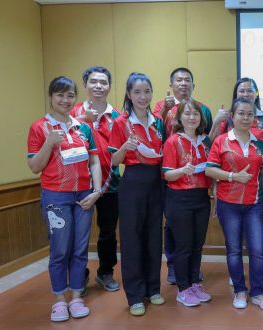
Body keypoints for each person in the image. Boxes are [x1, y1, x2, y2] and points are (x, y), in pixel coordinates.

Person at [27, 76, 102, 322]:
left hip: (84, 196)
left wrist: (97, 190)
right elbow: (34, 167)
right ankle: (60, 300)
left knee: (80, 249)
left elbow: (94, 161)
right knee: (60, 249)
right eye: (60, 95)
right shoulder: (40, 128)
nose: (65, 100)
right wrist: (49, 143)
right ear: (51, 97)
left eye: (70, 95)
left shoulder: (83, 128)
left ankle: (77, 296)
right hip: (55, 197)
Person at [206, 99, 263, 311]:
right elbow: (209, 170)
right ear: (233, 116)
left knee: (257, 250)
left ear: (255, 117)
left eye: (249, 114)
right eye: (241, 114)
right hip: (229, 204)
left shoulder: (259, 141)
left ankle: (258, 293)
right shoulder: (221, 141)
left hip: (254, 204)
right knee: (234, 250)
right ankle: (240, 291)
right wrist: (233, 176)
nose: (245, 118)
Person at [109, 72, 166, 316]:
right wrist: (125, 147)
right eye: (137, 92)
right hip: (132, 182)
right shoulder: (121, 123)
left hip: (156, 182)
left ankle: (153, 288)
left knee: (154, 237)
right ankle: (134, 295)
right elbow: (113, 160)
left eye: (147, 91)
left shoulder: (158, 121)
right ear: (129, 95)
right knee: (132, 239)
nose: (143, 97)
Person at [153, 67, 213, 285]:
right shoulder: (162, 106)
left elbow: (208, 138)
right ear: (171, 85)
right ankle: (173, 267)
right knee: (172, 225)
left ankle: (191, 273)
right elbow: (155, 131)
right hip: (169, 173)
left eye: (188, 80)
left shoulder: (203, 109)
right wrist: (164, 112)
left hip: (197, 183)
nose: (183, 83)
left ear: (193, 85)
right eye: (179, 80)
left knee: (195, 235)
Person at [70, 66, 121, 293]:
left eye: (103, 82)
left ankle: (105, 272)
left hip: (110, 184)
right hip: (78, 184)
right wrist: (81, 119)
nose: (98, 86)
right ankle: (79, 275)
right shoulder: (72, 112)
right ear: (85, 85)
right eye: (93, 82)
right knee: (77, 233)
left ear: (109, 86)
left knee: (108, 232)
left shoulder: (118, 116)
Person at [162, 99, 213, 308]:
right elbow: (167, 175)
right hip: (179, 198)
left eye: (196, 114)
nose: (192, 117)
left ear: (201, 118)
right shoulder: (173, 141)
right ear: (180, 118)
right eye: (187, 113)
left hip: (202, 198)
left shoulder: (206, 141)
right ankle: (183, 289)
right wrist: (183, 170)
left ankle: (194, 283)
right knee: (183, 246)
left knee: (197, 245)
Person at [209, 77, 263, 146]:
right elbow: (211, 145)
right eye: (241, 91)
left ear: (256, 94)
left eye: (250, 91)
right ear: (236, 94)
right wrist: (216, 121)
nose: (245, 94)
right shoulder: (227, 116)